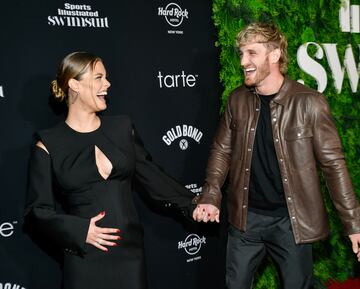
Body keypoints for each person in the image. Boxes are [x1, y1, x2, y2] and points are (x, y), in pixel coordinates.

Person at [192, 22, 360, 289]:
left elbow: (333, 165)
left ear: (274, 55)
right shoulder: (237, 100)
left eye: (252, 53)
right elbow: (221, 150)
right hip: (246, 220)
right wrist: (211, 194)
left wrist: (354, 224)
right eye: (241, 54)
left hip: (291, 223)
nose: (243, 61)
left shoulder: (310, 102)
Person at [24, 51, 195, 289]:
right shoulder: (49, 143)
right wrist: (81, 231)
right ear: (74, 84)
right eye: (98, 77)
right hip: (84, 256)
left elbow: (152, 176)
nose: (107, 84)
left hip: (129, 254)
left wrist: (193, 204)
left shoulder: (121, 128)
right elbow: (37, 211)